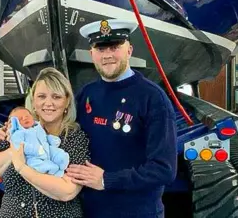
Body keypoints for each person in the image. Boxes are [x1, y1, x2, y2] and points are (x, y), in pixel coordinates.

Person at [66, 19, 178, 217]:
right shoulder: (86, 94)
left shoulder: (152, 98)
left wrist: (106, 180)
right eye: (100, 49)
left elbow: (164, 169)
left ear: (129, 50)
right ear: (92, 54)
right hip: (90, 211)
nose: (108, 55)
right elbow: (61, 132)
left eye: (115, 47)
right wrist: (14, 133)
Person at [0, 67, 90, 218]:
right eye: (41, 96)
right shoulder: (16, 129)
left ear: (67, 101)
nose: (48, 103)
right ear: (33, 101)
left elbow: (67, 191)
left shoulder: (75, 138)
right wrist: (18, 146)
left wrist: (22, 167)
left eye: (56, 97)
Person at [5, 106, 70, 177]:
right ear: (15, 123)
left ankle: (61, 161)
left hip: (46, 148)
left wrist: (51, 140)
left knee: (58, 153)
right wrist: (36, 150)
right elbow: (20, 145)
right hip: (32, 156)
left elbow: (44, 137)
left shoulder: (38, 127)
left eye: (27, 116)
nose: (25, 118)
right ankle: (52, 171)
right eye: (20, 119)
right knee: (36, 164)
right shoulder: (18, 133)